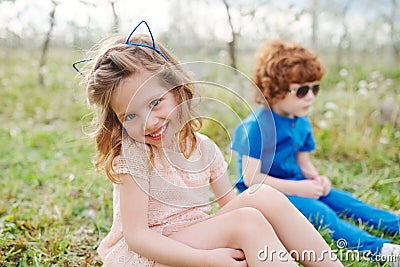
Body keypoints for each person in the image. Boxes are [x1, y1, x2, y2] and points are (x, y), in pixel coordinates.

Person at [73, 22, 343, 267]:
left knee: (262, 196)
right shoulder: (134, 156)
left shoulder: (204, 149)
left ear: (177, 90)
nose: (148, 123)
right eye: (130, 115)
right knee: (246, 222)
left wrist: (250, 239)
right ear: (118, 121)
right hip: (151, 256)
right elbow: (138, 238)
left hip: (193, 238)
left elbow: (231, 207)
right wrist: (208, 259)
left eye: (155, 103)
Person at [231, 39, 400, 265]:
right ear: (275, 90)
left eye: (315, 88)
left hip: (298, 183)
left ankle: (394, 224)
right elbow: (252, 179)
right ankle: (381, 250)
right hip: (264, 195)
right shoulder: (257, 126)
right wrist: (299, 188)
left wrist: (316, 178)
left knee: (348, 202)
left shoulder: (301, 121)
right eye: (301, 90)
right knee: (321, 213)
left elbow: (303, 162)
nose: (310, 96)